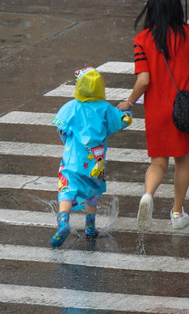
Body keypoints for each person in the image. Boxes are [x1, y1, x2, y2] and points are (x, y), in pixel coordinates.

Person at [117, 0, 189, 231]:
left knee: (158, 163)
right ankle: (177, 213)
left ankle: (147, 195)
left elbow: (144, 80)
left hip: (156, 110)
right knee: (182, 160)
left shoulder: (143, 39)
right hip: (184, 109)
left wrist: (129, 101)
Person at [50, 67, 132, 248]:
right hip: (95, 162)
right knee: (93, 190)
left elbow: (61, 128)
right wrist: (127, 111)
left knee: (67, 188)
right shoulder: (105, 109)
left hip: (72, 161)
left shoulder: (71, 107)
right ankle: (90, 227)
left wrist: (66, 140)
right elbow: (122, 121)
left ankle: (63, 221)